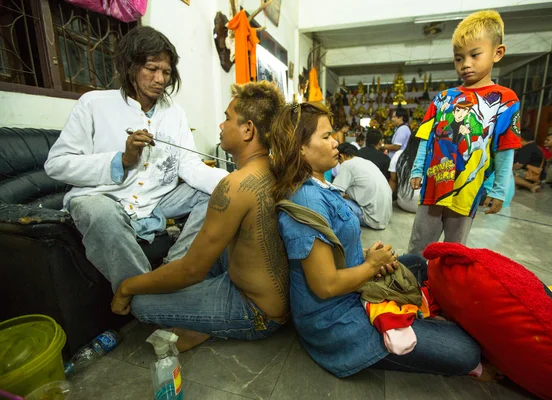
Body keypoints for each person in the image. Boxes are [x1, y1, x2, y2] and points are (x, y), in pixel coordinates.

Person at [269, 102, 480, 378]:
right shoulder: (307, 199)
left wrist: (367, 255)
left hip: (351, 289)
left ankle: (420, 315)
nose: (336, 142)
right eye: (326, 137)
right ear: (300, 148)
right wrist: (370, 266)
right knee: (466, 352)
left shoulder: (320, 185)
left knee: (415, 262)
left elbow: (335, 247)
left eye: (333, 134)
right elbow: (325, 285)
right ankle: (420, 321)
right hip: (335, 319)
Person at [45, 26, 227, 299]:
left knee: (218, 195)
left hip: (157, 201)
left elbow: (189, 166)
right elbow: (57, 165)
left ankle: (174, 270)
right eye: (151, 69)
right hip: (105, 198)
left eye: (166, 72)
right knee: (97, 211)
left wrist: (236, 182)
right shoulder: (93, 104)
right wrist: (122, 160)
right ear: (130, 67)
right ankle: (144, 293)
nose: (160, 79)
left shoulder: (174, 113)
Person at [107, 81, 290, 350]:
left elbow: (191, 271)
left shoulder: (235, 185)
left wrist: (125, 288)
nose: (221, 125)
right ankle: (206, 317)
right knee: (193, 261)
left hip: (257, 313)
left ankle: (211, 325)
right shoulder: (274, 168)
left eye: (227, 119)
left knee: (140, 301)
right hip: (270, 295)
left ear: (248, 130)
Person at [407, 10, 521, 256]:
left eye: (474, 55)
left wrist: (499, 190)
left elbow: (505, 148)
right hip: (432, 188)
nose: (466, 64)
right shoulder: (443, 99)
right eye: (459, 58)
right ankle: (412, 290)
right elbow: (426, 138)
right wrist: (417, 169)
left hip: (467, 191)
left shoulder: (505, 100)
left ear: (497, 53)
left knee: (452, 252)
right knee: (417, 248)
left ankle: (443, 292)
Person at [333, 143, 392, 229]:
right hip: (385, 217)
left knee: (332, 201)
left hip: (372, 219)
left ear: (341, 156)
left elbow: (334, 192)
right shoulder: (366, 162)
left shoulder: (347, 164)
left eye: (339, 161)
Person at [389, 135, 421, 213]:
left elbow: (393, 180)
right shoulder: (431, 157)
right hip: (422, 207)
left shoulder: (399, 154)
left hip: (402, 203)